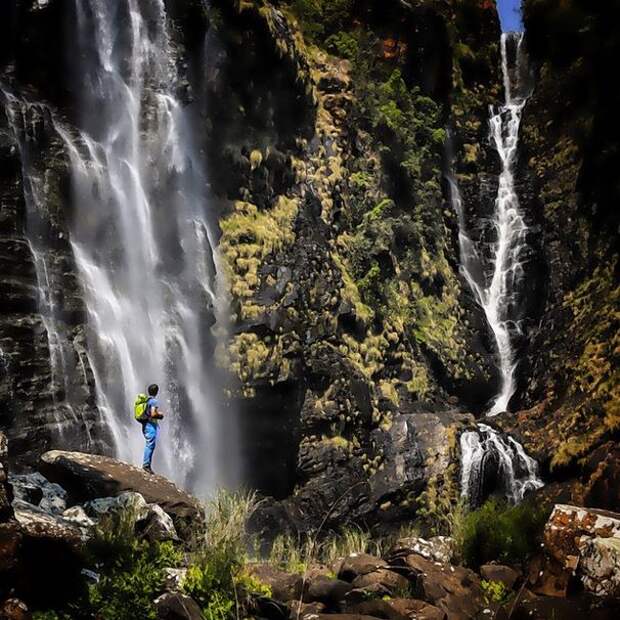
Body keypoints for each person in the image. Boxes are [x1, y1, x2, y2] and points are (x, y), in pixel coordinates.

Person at [142, 383, 164, 473]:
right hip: (150, 425)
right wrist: (160, 415)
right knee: (150, 445)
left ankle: (147, 464)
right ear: (157, 392)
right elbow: (153, 414)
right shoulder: (154, 401)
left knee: (150, 444)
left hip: (145, 424)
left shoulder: (147, 400)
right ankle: (146, 465)